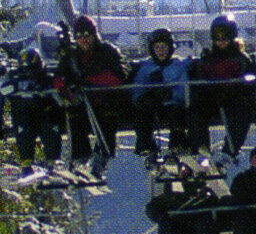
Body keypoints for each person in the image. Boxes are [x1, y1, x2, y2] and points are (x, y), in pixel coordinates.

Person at [53, 14, 127, 175]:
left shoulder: (107, 51)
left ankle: (102, 157)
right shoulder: (71, 56)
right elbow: (59, 76)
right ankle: (80, 157)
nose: (83, 40)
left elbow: (118, 76)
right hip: (83, 102)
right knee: (74, 114)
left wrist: (91, 81)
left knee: (106, 117)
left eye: (87, 35)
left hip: (106, 100)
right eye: (79, 36)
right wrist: (66, 88)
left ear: (94, 35)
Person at [188, 14, 256, 159]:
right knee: (196, 110)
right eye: (217, 38)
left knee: (241, 113)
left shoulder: (241, 59)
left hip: (234, 99)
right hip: (213, 99)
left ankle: (229, 151)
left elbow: (248, 83)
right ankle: (201, 148)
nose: (221, 42)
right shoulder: (208, 58)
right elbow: (200, 79)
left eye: (224, 38)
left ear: (232, 38)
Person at [145, 165, 223, 234]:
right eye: (182, 170)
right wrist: (162, 217)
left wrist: (206, 198)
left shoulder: (200, 189)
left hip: (197, 223)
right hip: (177, 226)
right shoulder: (169, 197)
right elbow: (152, 209)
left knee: (207, 228)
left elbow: (215, 202)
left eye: (186, 170)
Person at [130, 28, 190, 158]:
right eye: (157, 48)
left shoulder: (177, 66)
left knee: (176, 113)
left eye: (164, 47)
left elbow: (184, 88)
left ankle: (177, 144)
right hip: (152, 105)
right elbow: (137, 89)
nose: (161, 51)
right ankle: (146, 145)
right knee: (142, 114)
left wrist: (170, 93)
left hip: (172, 104)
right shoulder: (146, 68)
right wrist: (146, 95)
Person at [4, 46, 62, 170]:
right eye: (26, 70)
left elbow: (59, 88)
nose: (29, 74)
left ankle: (53, 162)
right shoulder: (14, 76)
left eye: (32, 69)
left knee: (50, 129)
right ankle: (26, 165)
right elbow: (3, 89)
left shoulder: (48, 75)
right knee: (24, 132)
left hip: (45, 114)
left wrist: (45, 89)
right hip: (23, 115)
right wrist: (15, 87)